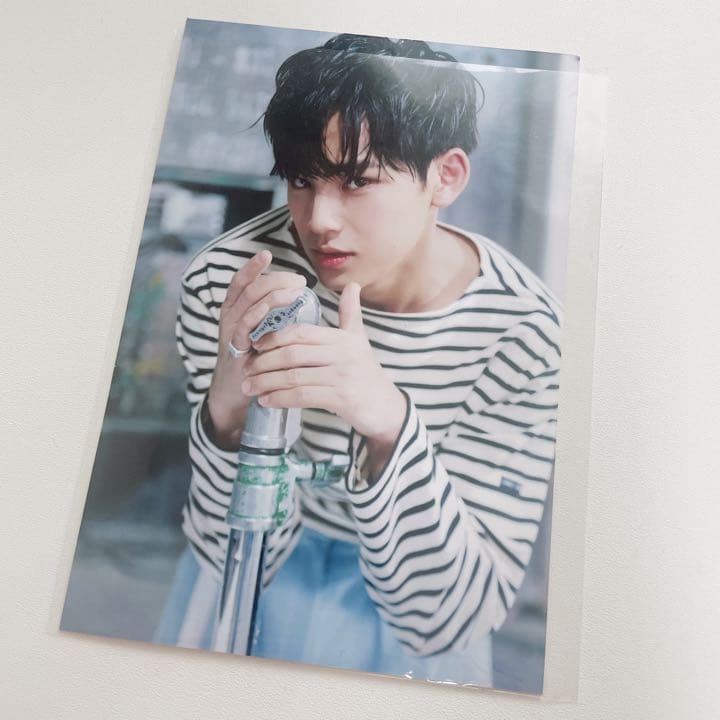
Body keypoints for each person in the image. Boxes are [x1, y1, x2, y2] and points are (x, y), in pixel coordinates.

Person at [155, 33, 562, 686]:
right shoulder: (231, 279)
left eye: (357, 180)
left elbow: (449, 616)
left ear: (446, 176)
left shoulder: (524, 334)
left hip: (417, 583)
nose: (319, 219)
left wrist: (387, 421)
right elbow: (225, 545)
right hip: (254, 567)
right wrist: (228, 407)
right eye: (301, 179)